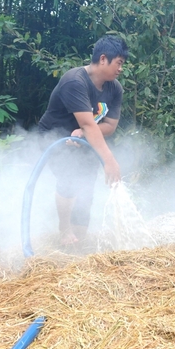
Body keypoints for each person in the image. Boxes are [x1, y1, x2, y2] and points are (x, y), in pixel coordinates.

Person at [38, 35, 128, 245]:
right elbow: (89, 125)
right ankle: (64, 230)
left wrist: (83, 131)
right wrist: (109, 160)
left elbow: (109, 126)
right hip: (55, 137)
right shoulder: (75, 81)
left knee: (87, 186)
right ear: (103, 59)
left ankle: (80, 237)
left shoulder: (115, 89)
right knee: (70, 179)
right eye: (119, 63)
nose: (121, 69)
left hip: (86, 139)